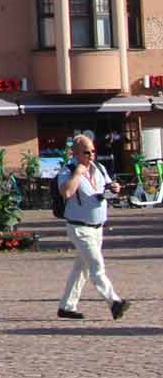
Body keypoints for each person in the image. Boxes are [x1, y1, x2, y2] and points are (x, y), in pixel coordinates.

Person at [57, 131, 131, 321]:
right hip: (79, 228)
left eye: (92, 151)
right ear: (76, 154)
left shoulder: (99, 168)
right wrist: (78, 174)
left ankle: (66, 306)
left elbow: (107, 187)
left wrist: (114, 188)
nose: (91, 155)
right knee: (97, 266)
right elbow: (66, 193)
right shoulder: (67, 170)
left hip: (98, 227)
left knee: (81, 269)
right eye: (86, 152)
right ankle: (114, 302)